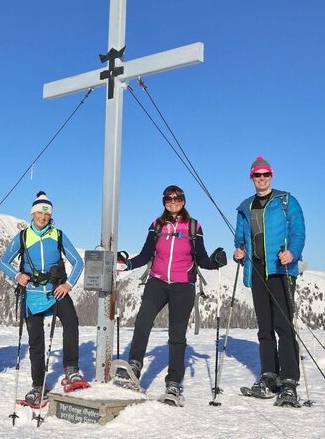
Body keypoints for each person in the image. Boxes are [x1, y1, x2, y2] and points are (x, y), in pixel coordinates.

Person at [115, 185, 228, 403]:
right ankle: (134, 367)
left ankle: (174, 384)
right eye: (169, 198)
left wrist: (215, 261)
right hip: (157, 282)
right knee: (143, 322)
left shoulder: (194, 227)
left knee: (177, 336)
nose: (173, 202)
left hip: (183, 286)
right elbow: (146, 254)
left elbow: (202, 259)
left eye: (177, 198)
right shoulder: (157, 225)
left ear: (183, 201)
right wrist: (127, 264)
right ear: (164, 201)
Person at [0, 191, 87, 408]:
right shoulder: (22, 237)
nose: (43, 217)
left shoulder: (57, 235)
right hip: (32, 294)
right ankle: (39, 386)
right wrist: (18, 276)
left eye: (47, 214)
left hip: (56, 290)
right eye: (40, 212)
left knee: (71, 322)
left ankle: (71, 371)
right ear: (33, 213)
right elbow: (3, 262)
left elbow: (78, 261)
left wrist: (68, 284)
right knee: (36, 340)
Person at [233, 156, 306, 407]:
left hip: (281, 269)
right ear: (251, 178)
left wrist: (292, 253)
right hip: (257, 269)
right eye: (257, 175)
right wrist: (239, 253)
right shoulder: (245, 207)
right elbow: (240, 240)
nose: (261, 179)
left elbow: (298, 232)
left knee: (284, 327)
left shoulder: (287, 201)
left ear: (271, 176)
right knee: (264, 327)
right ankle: (269, 376)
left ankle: (289, 381)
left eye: (265, 174)